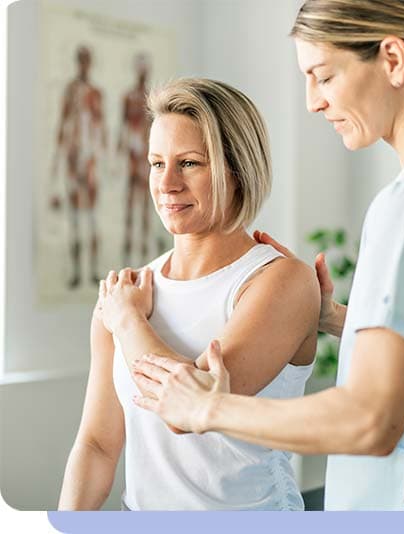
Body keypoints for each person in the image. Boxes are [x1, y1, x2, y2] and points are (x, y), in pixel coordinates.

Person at [126, 0, 404, 511]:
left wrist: (208, 407)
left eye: (323, 76)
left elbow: (369, 421)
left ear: (393, 60)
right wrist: (338, 320)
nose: (312, 101)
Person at [58, 78, 320, 511]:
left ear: (237, 170)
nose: (167, 184)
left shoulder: (281, 281)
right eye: (157, 163)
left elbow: (192, 404)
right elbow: (98, 444)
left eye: (190, 163)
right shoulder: (130, 292)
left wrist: (127, 323)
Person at [51, 45, 107, 288]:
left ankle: (93, 269)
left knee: (92, 217)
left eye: (87, 60)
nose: (84, 64)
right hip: (73, 160)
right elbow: (62, 125)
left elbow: (101, 126)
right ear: (78, 62)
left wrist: (102, 160)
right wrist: (57, 161)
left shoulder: (95, 93)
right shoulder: (71, 90)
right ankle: (76, 271)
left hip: (90, 160)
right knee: (74, 217)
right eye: (81, 60)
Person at [116, 52, 153, 266]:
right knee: (131, 203)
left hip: (147, 155)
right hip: (133, 153)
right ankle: (128, 256)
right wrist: (118, 154)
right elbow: (122, 126)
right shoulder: (129, 96)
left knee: (147, 205)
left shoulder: (153, 97)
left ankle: (146, 256)